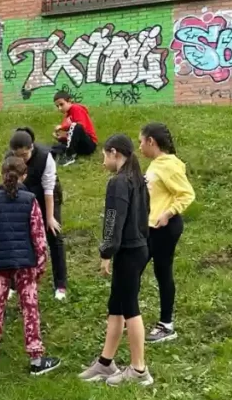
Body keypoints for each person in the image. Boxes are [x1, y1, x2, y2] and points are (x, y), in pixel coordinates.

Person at [0, 156, 60, 375]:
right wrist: (41, 263)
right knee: (30, 309)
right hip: (26, 263)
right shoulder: (30, 200)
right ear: (24, 175)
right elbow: (38, 236)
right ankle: (36, 359)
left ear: (1, 174)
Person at [79, 135, 152, 386]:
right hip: (138, 247)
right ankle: (106, 363)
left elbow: (112, 220)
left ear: (114, 152)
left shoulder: (119, 183)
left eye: (104, 155)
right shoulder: (138, 180)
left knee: (130, 308)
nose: (103, 161)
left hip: (129, 251)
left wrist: (106, 253)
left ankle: (139, 370)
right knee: (117, 306)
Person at [139, 122, 195, 344]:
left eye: (141, 142)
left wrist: (168, 214)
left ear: (151, 141)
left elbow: (187, 194)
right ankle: (126, 315)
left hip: (164, 228)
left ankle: (166, 325)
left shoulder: (169, 165)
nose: (140, 147)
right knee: (135, 268)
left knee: (162, 272)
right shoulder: (157, 163)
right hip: (151, 226)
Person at [9, 127, 67, 301]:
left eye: (24, 155)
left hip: (47, 195)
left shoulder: (44, 157)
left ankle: (61, 285)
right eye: (17, 156)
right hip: (22, 196)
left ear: (32, 148)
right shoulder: (9, 159)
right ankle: (14, 283)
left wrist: (49, 217)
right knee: (19, 238)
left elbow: (48, 188)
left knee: (54, 236)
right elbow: (8, 183)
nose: (21, 160)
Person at [50, 90, 97, 166]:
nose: (59, 108)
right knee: (55, 146)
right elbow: (71, 136)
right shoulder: (66, 116)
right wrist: (60, 137)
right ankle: (51, 155)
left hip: (89, 144)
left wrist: (62, 127)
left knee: (76, 126)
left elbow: (81, 126)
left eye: (61, 104)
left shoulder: (76, 108)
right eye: (57, 106)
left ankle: (69, 156)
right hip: (79, 146)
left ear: (69, 101)